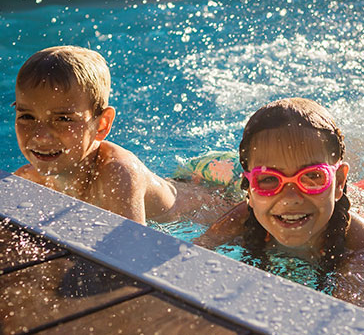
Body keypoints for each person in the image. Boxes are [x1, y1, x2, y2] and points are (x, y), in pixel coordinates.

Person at [13, 45, 234, 225]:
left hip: (221, 200)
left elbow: (131, 258)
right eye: (27, 117)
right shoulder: (28, 179)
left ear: (102, 124)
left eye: (63, 119)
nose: (40, 136)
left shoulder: (118, 175)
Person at [196, 97, 364, 274]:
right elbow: (192, 258)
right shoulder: (240, 220)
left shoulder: (358, 245)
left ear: (338, 182)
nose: (290, 198)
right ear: (250, 191)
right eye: (269, 179)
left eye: (312, 176)